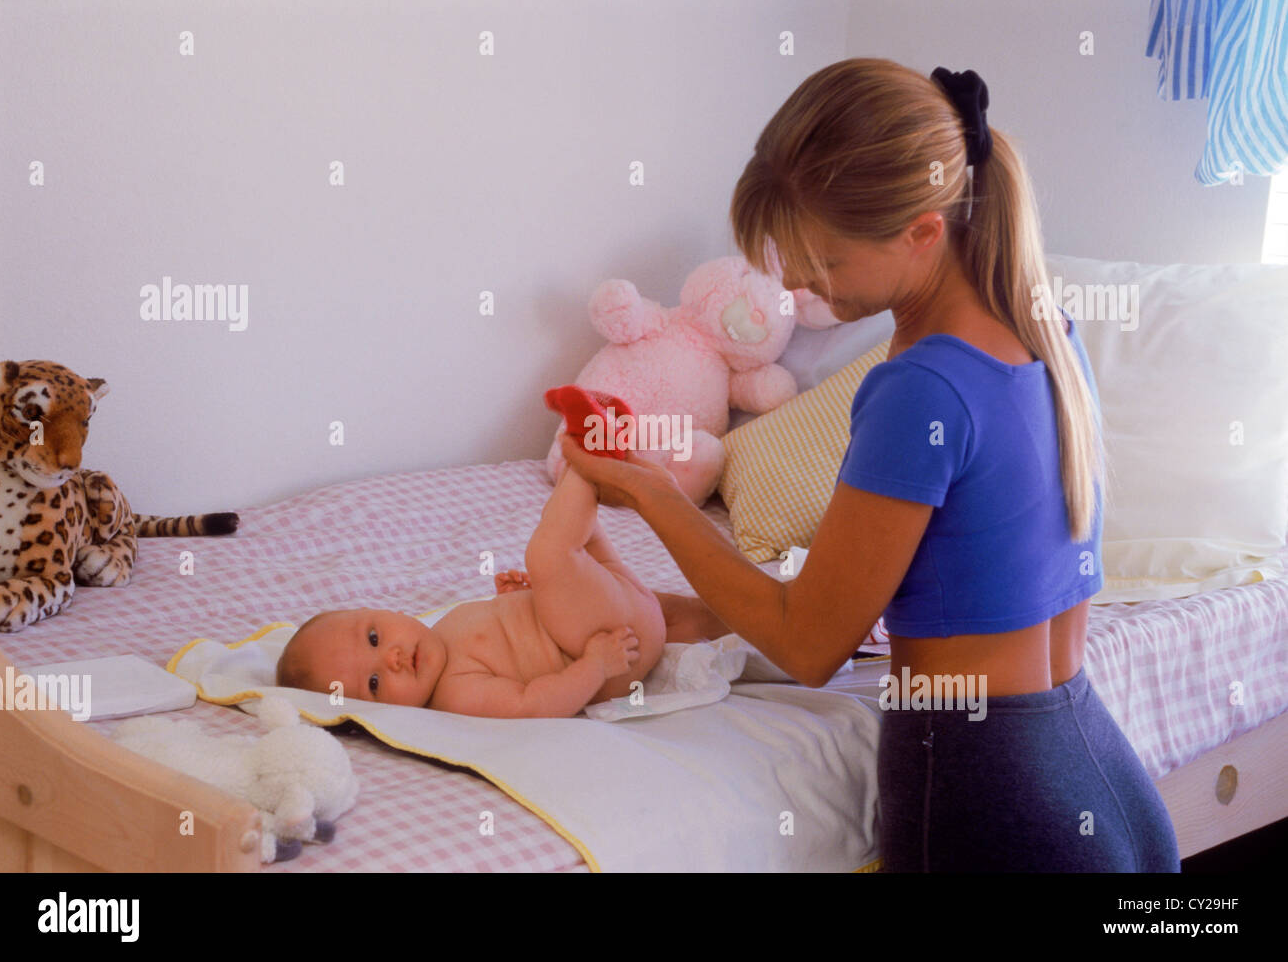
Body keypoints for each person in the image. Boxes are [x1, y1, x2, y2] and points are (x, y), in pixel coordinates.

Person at [558, 58, 1181, 872]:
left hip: (988, 791)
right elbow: (962, 560)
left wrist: (646, 489)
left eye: (827, 262)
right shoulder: (1048, 337)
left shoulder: (918, 388)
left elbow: (810, 642)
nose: (806, 286)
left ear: (923, 230)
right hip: (1098, 772)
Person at [277, 434, 727, 717]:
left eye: (374, 638)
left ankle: (729, 619)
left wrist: (524, 598)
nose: (391, 658)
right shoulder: (456, 695)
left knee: (570, 549)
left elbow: (516, 632)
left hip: (612, 611)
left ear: (382, 610)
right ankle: (590, 465)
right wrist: (594, 667)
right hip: (612, 648)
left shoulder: (443, 630)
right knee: (549, 553)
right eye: (374, 685)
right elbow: (533, 704)